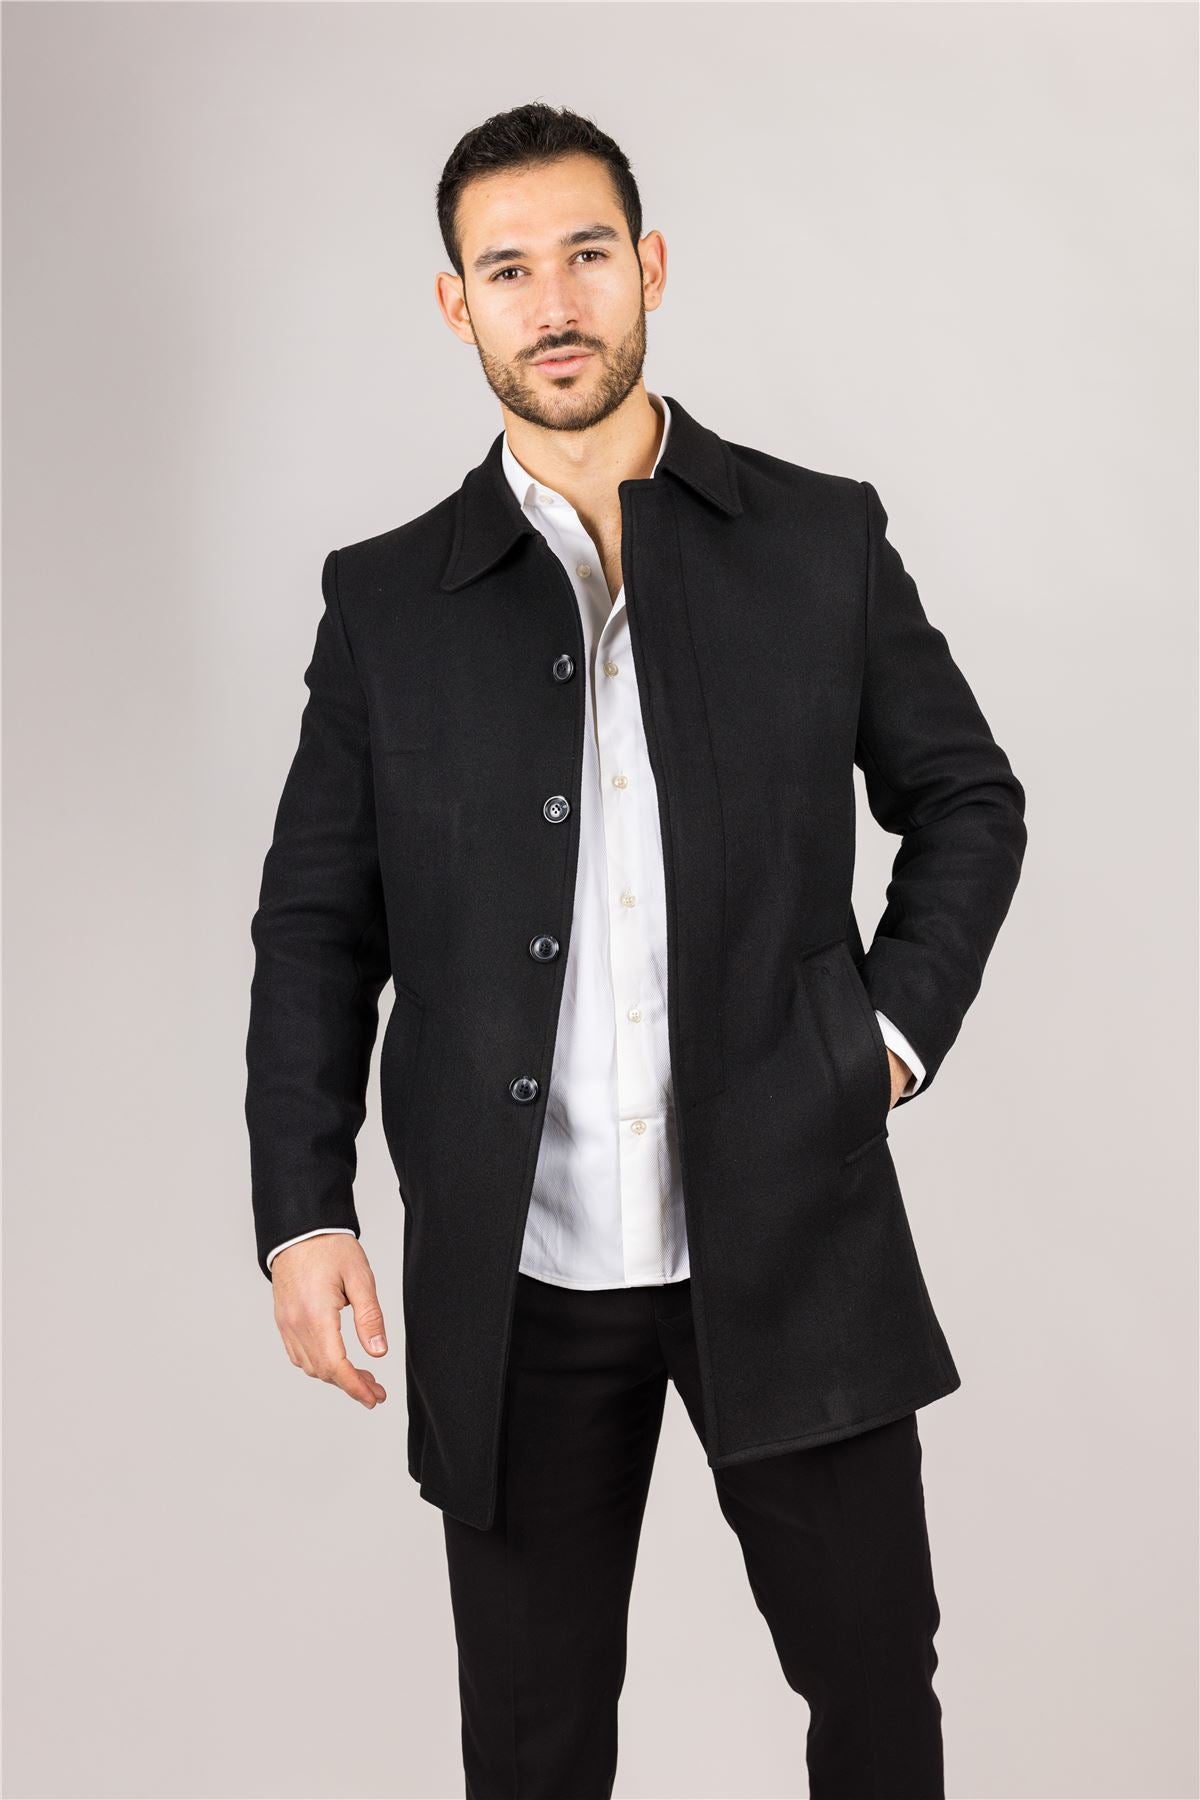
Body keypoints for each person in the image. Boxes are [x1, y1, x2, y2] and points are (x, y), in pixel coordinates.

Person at [244, 101, 1028, 1800]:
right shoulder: (385, 603)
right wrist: (305, 1209)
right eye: (507, 269)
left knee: (877, 1700)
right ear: (456, 304)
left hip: (793, 1235)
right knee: (534, 1750)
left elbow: (968, 798)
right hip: (516, 1271)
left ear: (650, 266)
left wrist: (883, 1040)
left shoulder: (816, 539)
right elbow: (315, 926)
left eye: (587, 253)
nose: (555, 302)